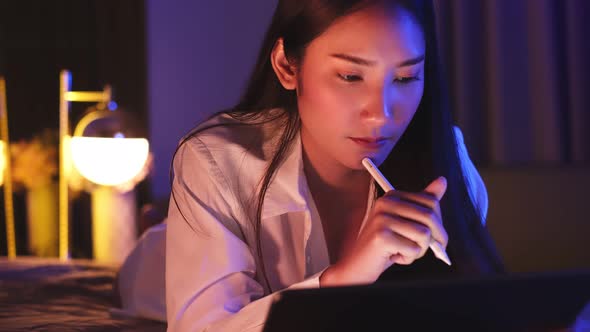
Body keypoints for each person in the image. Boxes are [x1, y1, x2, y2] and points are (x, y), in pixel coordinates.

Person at [118, 0, 504, 330]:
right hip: (155, 270)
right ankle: (159, 223)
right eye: (351, 76)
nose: (382, 115)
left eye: (405, 77)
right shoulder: (218, 159)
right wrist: (347, 278)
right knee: (150, 256)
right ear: (287, 65)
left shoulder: (443, 160)